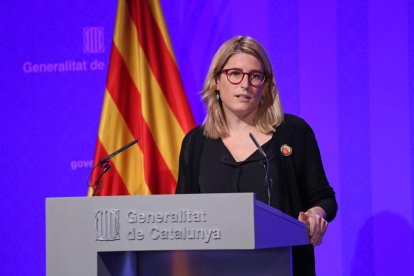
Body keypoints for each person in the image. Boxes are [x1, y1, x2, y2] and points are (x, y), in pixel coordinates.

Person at [175, 36, 338, 275]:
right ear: (217, 81)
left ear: (265, 86)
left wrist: (316, 214)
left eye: (255, 76)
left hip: (285, 265)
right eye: (235, 74)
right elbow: (183, 215)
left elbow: (324, 198)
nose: (245, 84)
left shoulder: (293, 133)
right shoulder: (196, 143)